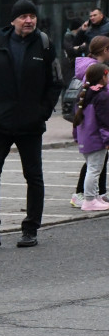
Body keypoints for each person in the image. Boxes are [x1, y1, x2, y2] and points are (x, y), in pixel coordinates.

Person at [0, 0, 61, 248]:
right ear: (13, 20)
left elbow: (55, 83)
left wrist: (42, 112)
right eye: (23, 16)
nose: (28, 20)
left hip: (31, 124)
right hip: (0, 123)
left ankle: (30, 229)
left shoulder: (45, 44)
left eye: (32, 16)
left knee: (33, 176)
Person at [69, 35, 109, 207]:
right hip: (95, 131)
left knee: (96, 163)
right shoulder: (96, 72)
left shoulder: (91, 69)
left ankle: (96, 194)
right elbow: (101, 114)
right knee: (94, 165)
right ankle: (86, 197)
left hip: (89, 130)